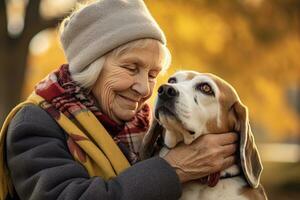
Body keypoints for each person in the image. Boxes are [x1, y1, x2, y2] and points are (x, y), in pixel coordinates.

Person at [0, 0, 237, 199]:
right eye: (132, 68)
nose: (144, 88)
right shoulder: (34, 123)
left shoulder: (153, 129)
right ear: (91, 66)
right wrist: (173, 169)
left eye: (153, 75)